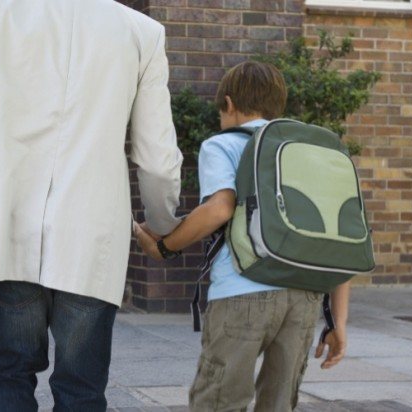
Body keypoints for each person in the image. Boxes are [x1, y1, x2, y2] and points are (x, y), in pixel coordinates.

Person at [0, 1, 183, 410]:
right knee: (81, 391)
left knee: (9, 377)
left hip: (7, 226)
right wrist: (161, 224)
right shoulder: (142, 32)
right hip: (91, 235)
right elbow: (157, 159)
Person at [135, 61, 350, 411]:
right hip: (303, 298)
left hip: (242, 292)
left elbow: (220, 208)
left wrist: (164, 247)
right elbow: (337, 239)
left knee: (219, 401)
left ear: (229, 104)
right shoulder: (313, 155)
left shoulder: (224, 145)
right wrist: (337, 322)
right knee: (278, 404)